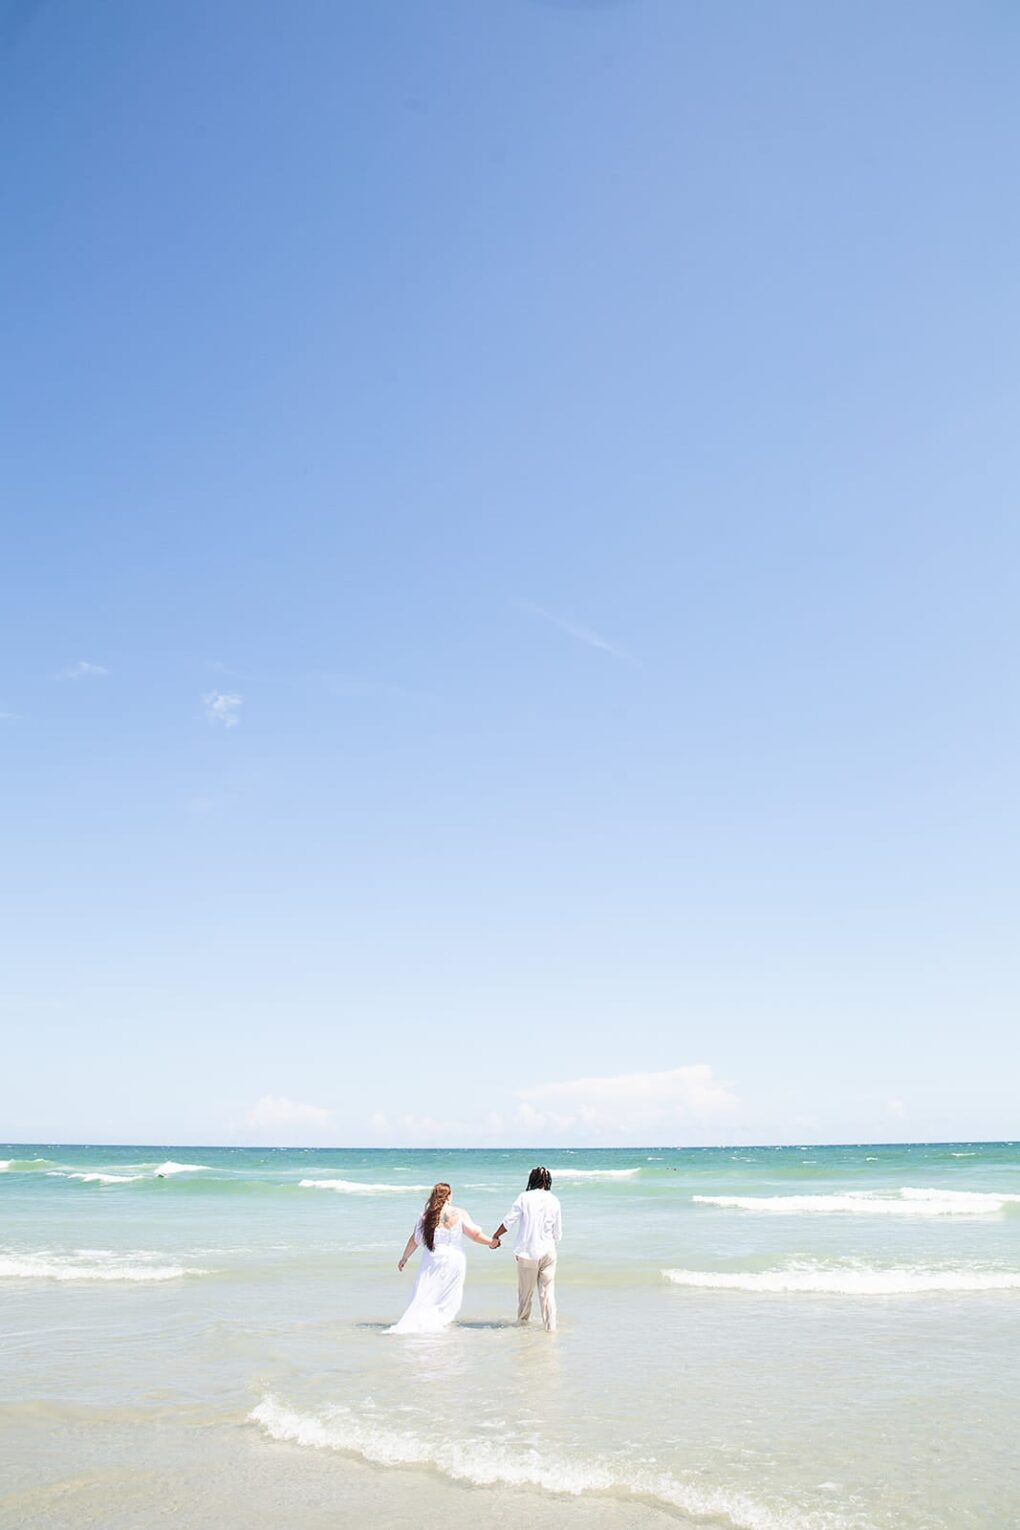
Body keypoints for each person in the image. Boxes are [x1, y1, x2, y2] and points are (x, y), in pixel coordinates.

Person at [388, 1181, 498, 1334]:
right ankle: (440, 1324)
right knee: (448, 1295)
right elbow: (474, 1234)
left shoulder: (426, 1215)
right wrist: (491, 1243)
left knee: (425, 1291)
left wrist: (404, 1258)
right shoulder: (459, 1213)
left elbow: (415, 1239)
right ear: (449, 1196)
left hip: (432, 1258)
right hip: (455, 1259)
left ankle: (424, 1322)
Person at [492, 1166, 562, 1331]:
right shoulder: (554, 1200)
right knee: (547, 1294)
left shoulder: (524, 1197)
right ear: (548, 1181)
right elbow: (557, 1233)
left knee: (525, 1296)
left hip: (527, 1253)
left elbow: (509, 1221)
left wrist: (496, 1236)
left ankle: (523, 1330)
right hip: (549, 1252)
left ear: (532, 1180)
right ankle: (550, 1329)